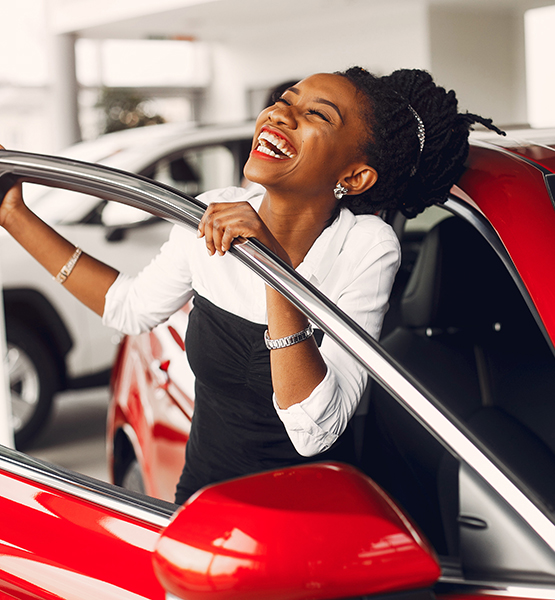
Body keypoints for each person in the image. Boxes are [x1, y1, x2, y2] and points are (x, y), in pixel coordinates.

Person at [0, 67, 503, 504]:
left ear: (354, 177)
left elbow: (314, 430)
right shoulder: (213, 208)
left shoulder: (367, 247)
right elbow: (130, 308)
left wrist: (271, 265)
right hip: (202, 503)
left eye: (317, 116)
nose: (281, 115)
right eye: (285, 102)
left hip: (310, 519)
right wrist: (13, 214)